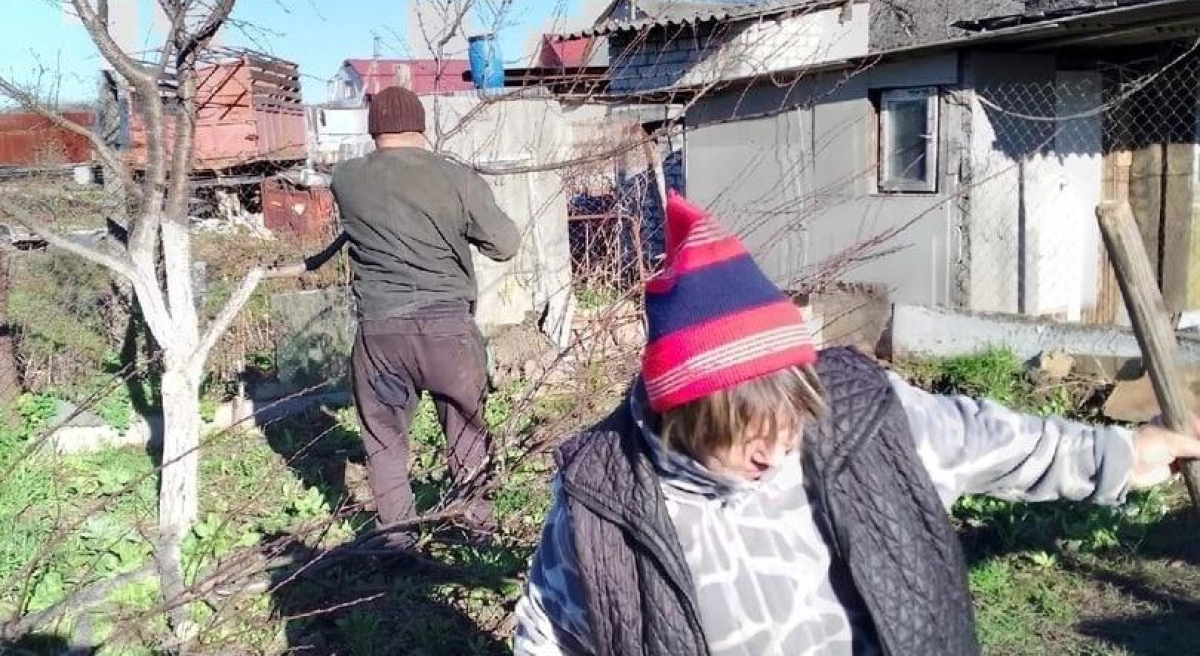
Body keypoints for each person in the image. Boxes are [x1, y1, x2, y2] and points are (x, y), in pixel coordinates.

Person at [513, 191, 1200, 655]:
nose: (775, 448)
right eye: (743, 433)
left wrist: (1120, 455)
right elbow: (549, 633)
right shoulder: (605, 499)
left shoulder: (858, 415)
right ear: (682, 416)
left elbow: (991, 442)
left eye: (789, 419)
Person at [329, 86, 520, 546]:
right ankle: (476, 533)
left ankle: (397, 543)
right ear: (420, 126)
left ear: (374, 130)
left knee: (384, 441)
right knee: (466, 433)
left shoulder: (346, 180)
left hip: (380, 333)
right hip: (447, 331)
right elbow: (505, 244)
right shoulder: (454, 178)